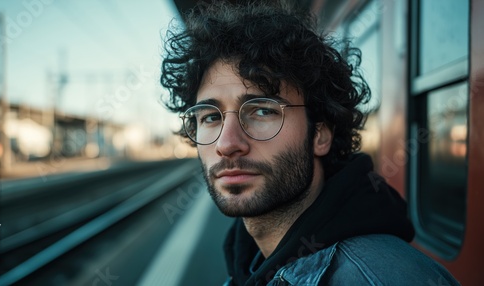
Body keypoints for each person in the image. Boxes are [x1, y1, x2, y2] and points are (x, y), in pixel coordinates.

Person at [160, 1, 460, 285]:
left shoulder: (384, 278)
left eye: (262, 111)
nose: (227, 144)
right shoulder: (248, 259)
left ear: (320, 134)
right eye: (210, 117)